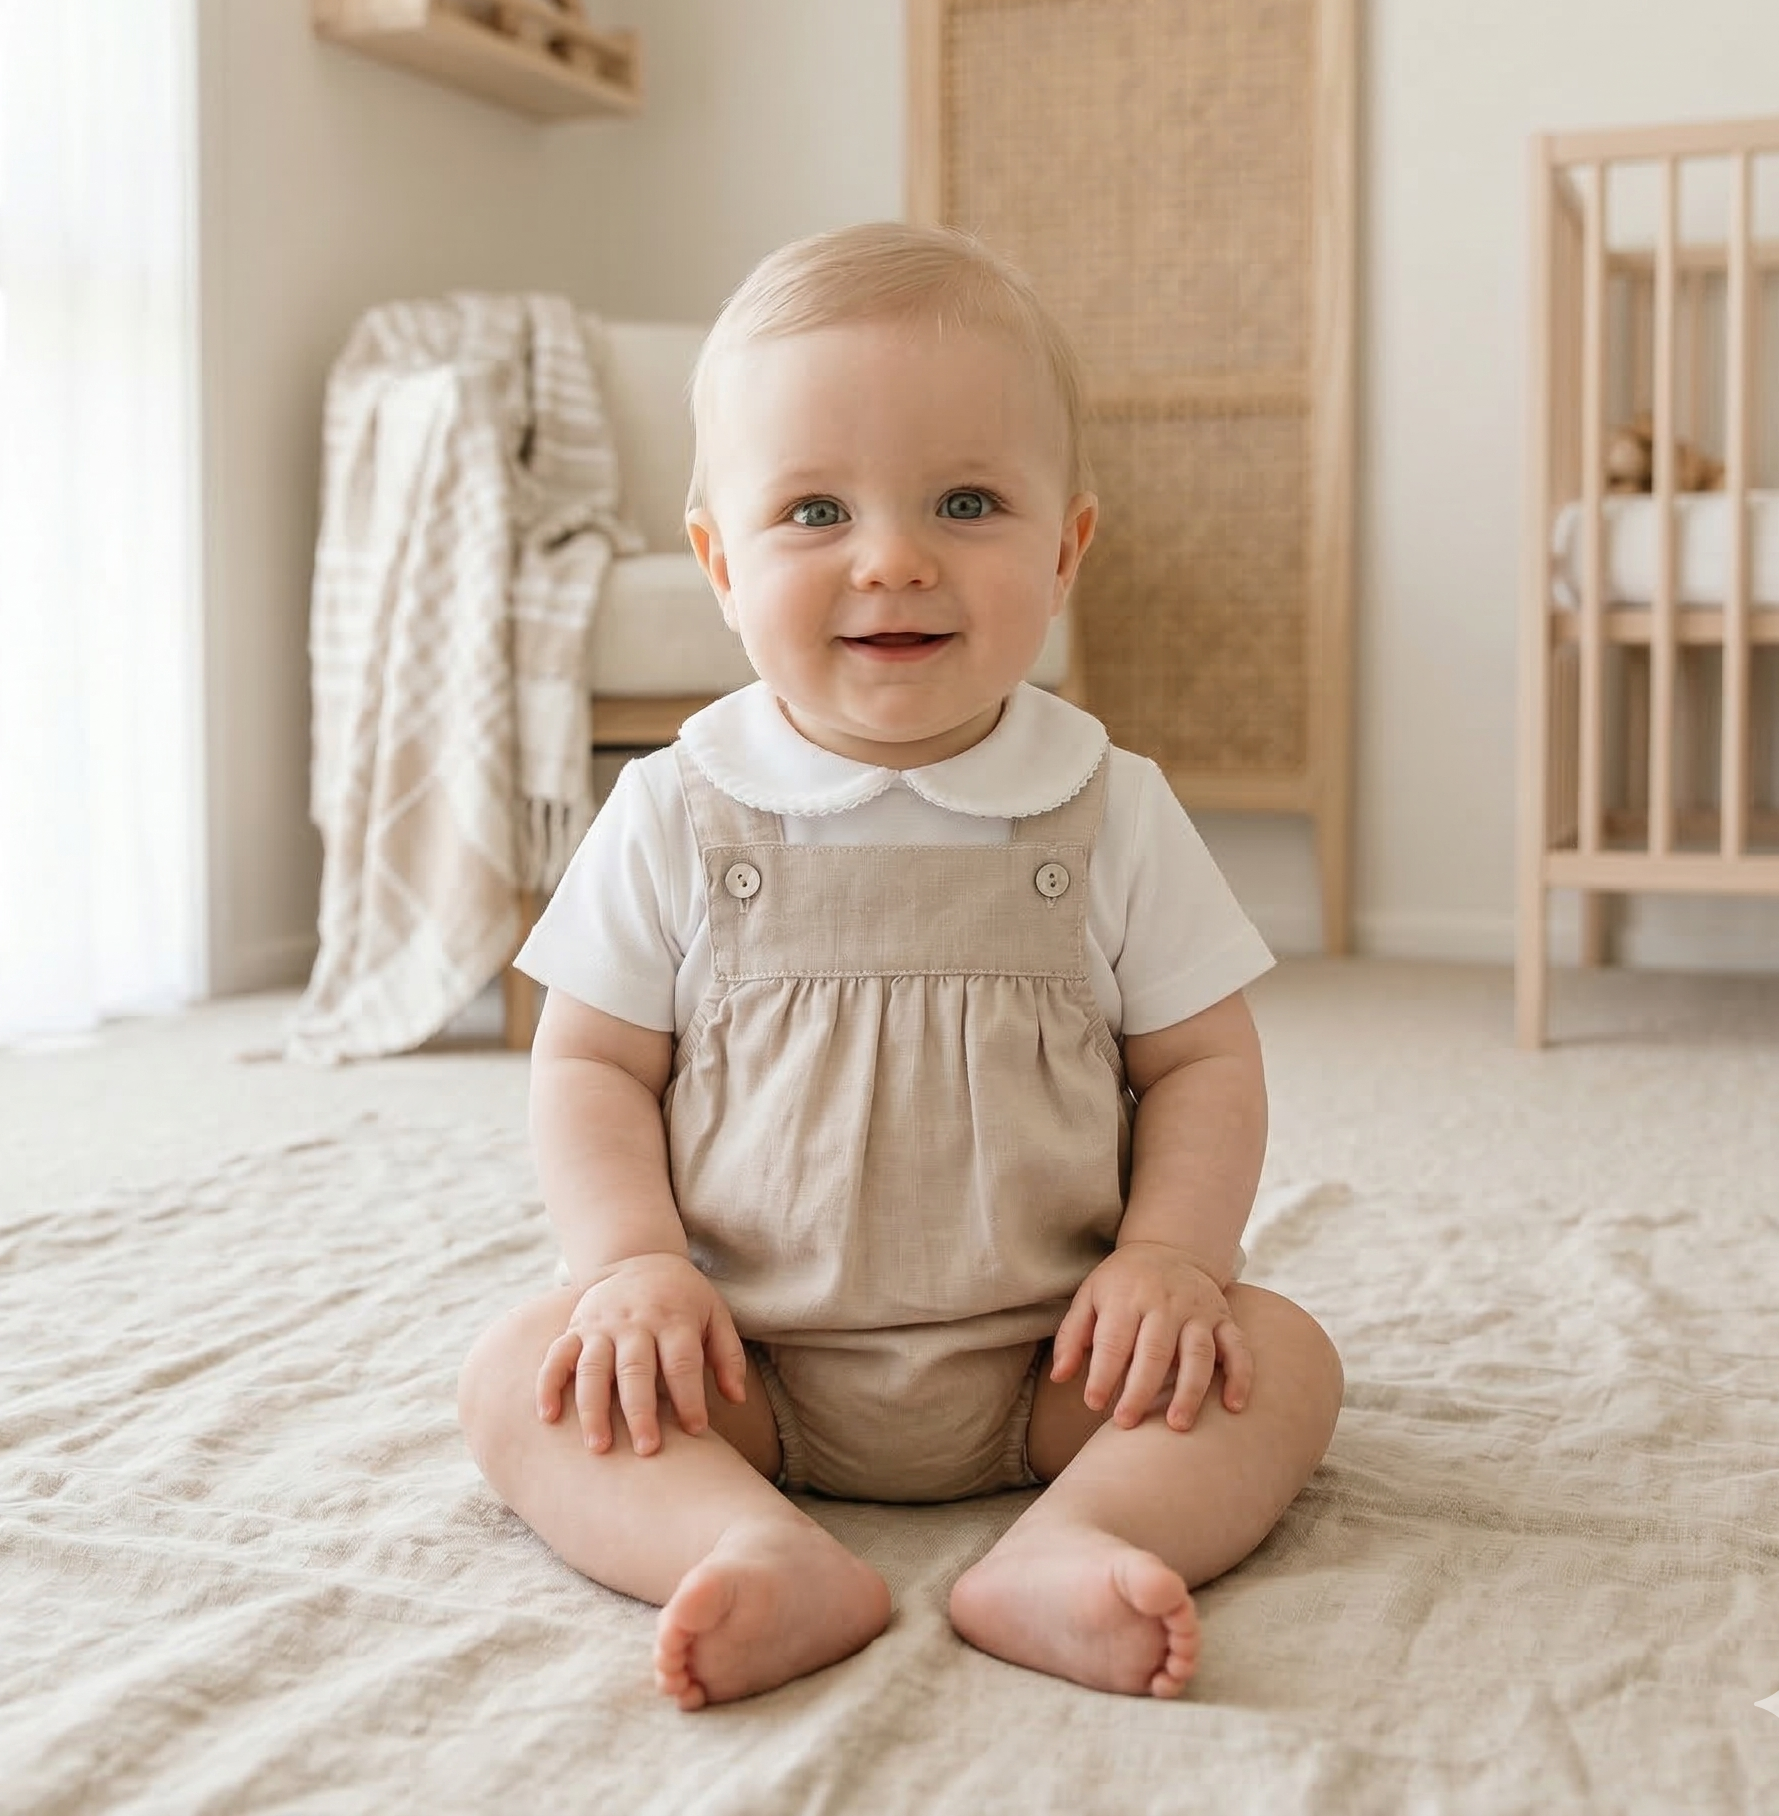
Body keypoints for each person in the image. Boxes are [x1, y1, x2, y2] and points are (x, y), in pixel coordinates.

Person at [457, 221, 1343, 1712]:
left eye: (966, 501)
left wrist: (1170, 1263)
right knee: (517, 1377)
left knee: (1281, 1361)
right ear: (720, 563)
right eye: (812, 509)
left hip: (1056, 1355)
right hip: (737, 1362)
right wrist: (630, 1270)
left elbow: (1199, 1062)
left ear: (1063, 549)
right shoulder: (673, 806)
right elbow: (592, 1062)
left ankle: (1084, 1537)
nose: (892, 557)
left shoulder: (1109, 801)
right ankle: (740, 1539)